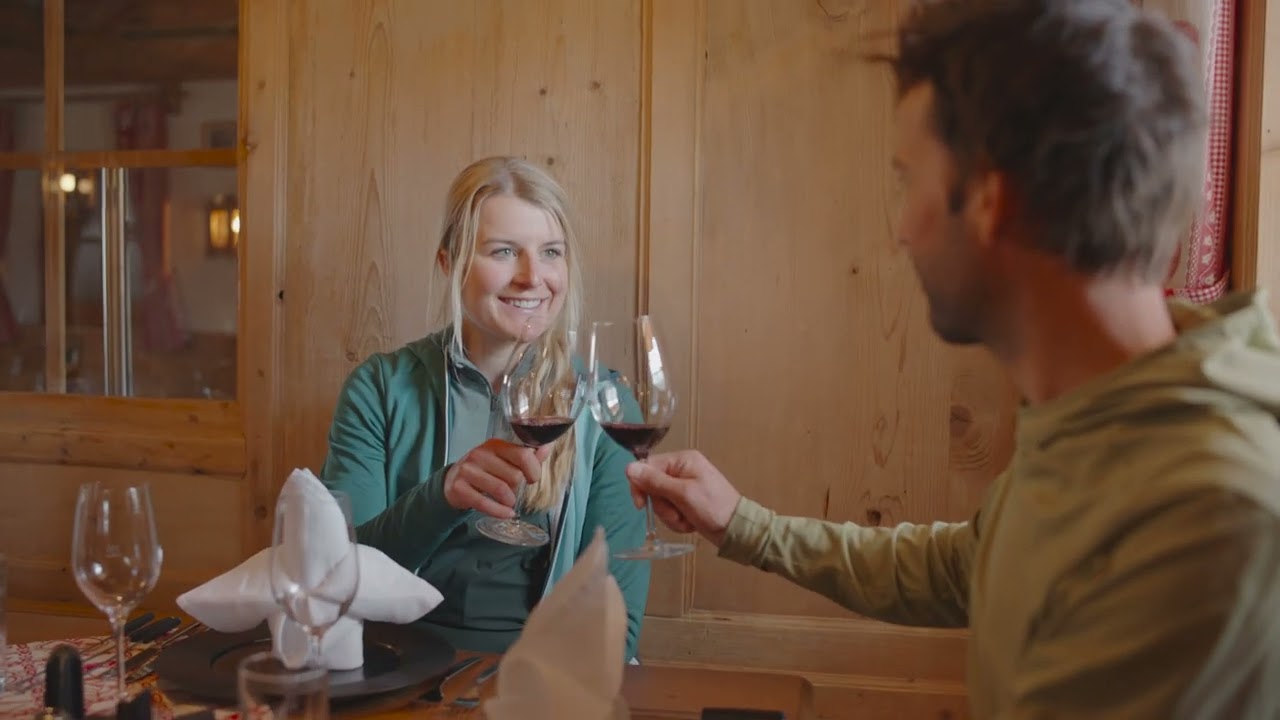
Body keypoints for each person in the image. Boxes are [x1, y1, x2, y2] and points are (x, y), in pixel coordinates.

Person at [625, 1, 1280, 717]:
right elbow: (970, 565)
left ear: (994, 200)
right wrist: (743, 524)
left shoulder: (1210, 518)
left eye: (910, 180)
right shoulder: (1100, 418)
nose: (902, 229)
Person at [321, 155, 649, 660]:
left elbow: (615, 625)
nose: (532, 277)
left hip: (545, 684)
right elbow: (339, 576)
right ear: (449, 264)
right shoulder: (379, 389)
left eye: (551, 252)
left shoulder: (601, 402)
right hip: (391, 668)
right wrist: (442, 496)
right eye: (504, 252)